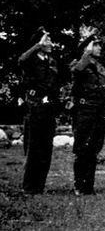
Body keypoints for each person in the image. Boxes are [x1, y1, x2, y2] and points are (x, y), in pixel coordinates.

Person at [18, 28, 65, 194]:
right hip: (35, 106)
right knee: (34, 147)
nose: (50, 44)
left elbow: (55, 83)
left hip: (49, 107)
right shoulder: (30, 61)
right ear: (38, 43)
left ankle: (40, 186)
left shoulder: (51, 61)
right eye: (47, 40)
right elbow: (21, 60)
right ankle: (29, 187)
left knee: (46, 148)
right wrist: (37, 44)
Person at [70, 34, 105, 195]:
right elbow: (77, 71)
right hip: (85, 110)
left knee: (94, 147)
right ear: (87, 47)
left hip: (99, 110)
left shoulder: (100, 66)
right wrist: (86, 54)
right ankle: (79, 184)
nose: (99, 48)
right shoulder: (80, 63)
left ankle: (89, 186)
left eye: (100, 45)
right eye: (96, 45)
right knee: (82, 148)